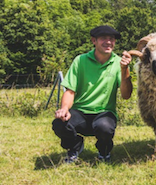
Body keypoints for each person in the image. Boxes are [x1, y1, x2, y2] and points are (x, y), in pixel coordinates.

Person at [52, 25, 133, 163]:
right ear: (93, 41)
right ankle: (75, 147)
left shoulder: (119, 63)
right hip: (80, 112)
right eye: (103, 38)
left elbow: (126, 95)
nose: (108, 42)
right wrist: (65, 109)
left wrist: (125, 70)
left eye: (111, 39)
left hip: (104, 113)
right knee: (59, 123)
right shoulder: (80, 61)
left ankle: (104, 151)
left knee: (104, 128)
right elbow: (70, 90)